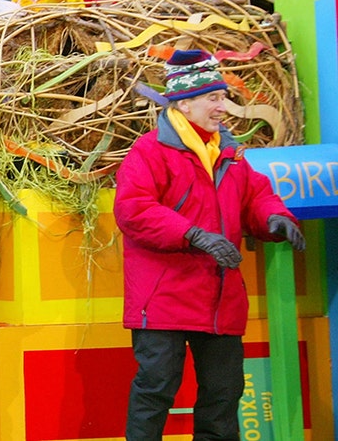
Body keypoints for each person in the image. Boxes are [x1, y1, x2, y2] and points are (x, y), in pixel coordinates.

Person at [114, 49, 307, 441]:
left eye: (222, 97)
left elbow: (256, 197)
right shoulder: (149, 151)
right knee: (155, 392)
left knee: (223, 397)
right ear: (184, 103)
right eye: (214, 98)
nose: (224, 106)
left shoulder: (230, 153)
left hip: (219, 300)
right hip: (162, 298)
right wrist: (193, 234)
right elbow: (133, 210)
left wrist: (276, 219)